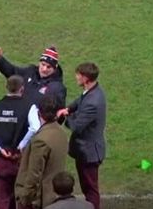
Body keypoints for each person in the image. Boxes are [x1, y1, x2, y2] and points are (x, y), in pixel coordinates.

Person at [0, 75, 42, 209]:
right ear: (22, 89)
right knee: (23, 199)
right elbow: (35, 127)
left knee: (2, 199)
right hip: (21, 160)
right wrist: (21, 145)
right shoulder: (29, 107)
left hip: (2, 161)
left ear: (6, 87)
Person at [57, 63, 106, 209]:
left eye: (78, 75)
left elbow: (76, 127)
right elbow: (80, 100)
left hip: (88, 152)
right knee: (88, 187)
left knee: (90, 190)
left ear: (85, 78)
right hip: (87, 150)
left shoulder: (92, 102)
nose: (76, 77)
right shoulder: (93, 91)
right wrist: (69, 108)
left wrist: (66, 116)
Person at [15, 95, 69, 209]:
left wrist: (25, 198)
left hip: (40, 199)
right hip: (55, 195)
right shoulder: (62, 133)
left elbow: (34, 174)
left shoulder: (41, 140)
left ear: (39, 113)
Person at [0, 45, 67, 107]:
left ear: (54, 68)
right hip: (21, 119)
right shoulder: (30, 72)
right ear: (39, 63)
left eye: (49, 67)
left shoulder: (57, 87)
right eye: (43, 64)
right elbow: (13, 72)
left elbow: (59, 111)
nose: (44, 69)